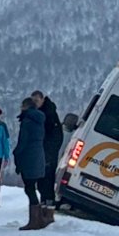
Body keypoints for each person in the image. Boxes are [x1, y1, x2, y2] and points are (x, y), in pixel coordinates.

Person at [14, 96, 50, 230]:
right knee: (32, 187)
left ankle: (35, 220)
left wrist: (16, 154)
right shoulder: (40, 120)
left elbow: (23, 142)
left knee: (29, 188)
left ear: (25, 107)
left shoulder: (27, 121)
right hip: (38, 155)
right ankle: (39, 218)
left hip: (29, 157)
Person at [36, 91, 66, 221]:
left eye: (37, 101)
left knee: (46, 179)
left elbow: (56, 136)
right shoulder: (45, 113)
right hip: (44, 152)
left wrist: (49, 152)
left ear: (42, 99)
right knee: (42, 179)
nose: (35, 104)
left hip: (47, 153)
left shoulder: (49, 115)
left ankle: (48, 207)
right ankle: (45, 206)